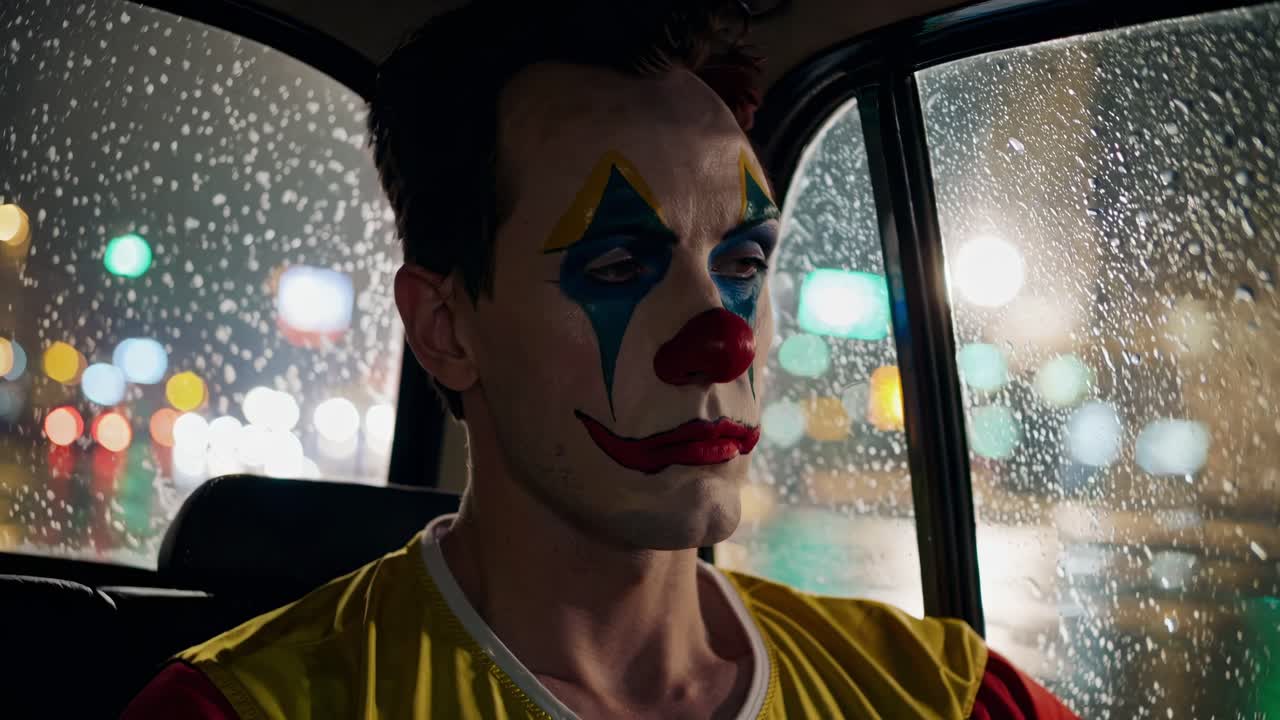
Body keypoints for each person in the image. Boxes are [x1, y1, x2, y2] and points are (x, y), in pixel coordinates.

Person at [123, 2, 1080, 718]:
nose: (721, 341)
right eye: (617, 264)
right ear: (447, 328)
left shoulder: (947, 697)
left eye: (742, 261)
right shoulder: (247, 712)